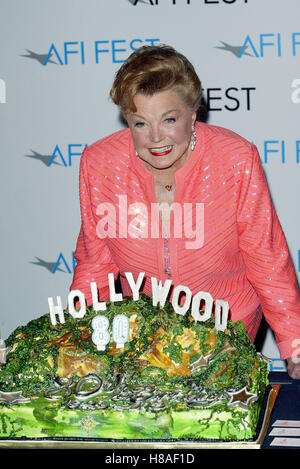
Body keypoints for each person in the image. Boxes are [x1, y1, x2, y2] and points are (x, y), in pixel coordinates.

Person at [70, 44, 300, 379]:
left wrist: (294, 343)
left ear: (194, 114)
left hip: (228, 331)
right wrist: (82, 340)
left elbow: (266, 257)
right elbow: (95, 262)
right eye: (140, 123)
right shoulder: (101, 164)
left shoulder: (235, 160)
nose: (155, 138)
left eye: (170, 119)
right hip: (148, 336)